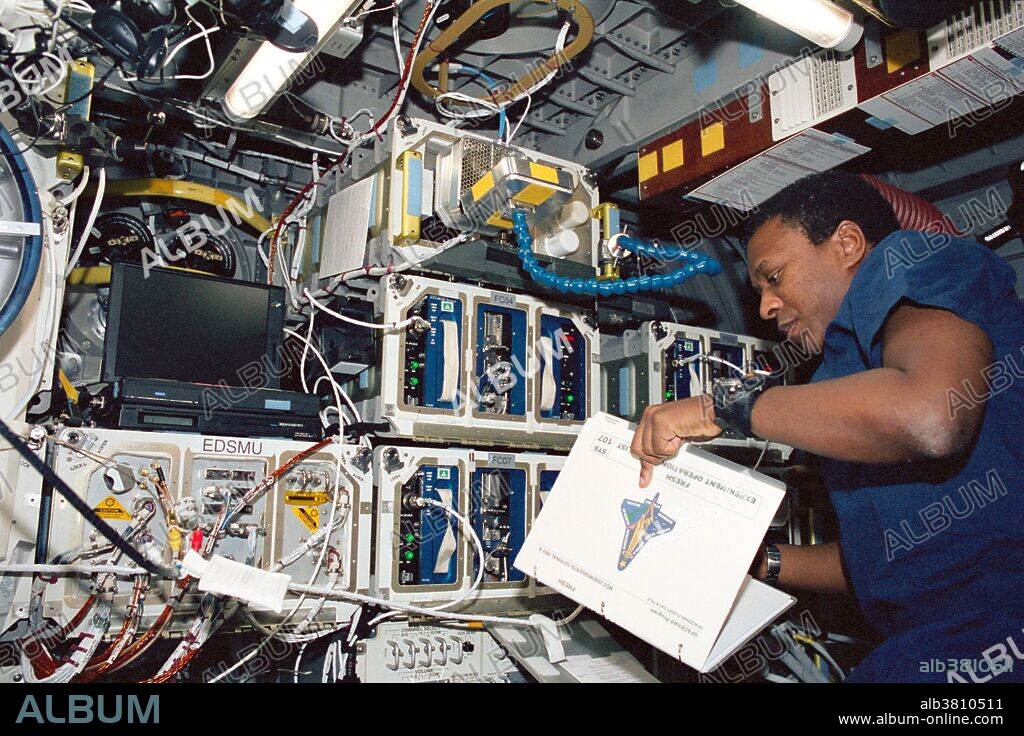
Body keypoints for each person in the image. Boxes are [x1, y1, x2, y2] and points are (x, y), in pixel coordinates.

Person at [630, 171, 1024, 683]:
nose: (766, 307)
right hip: (933, 638)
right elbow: (879, 557)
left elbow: (932, 417)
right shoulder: (842, 382)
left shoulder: (915, 259)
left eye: (774, 277)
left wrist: (721, 409)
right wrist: (759, 561)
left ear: (848, 244)